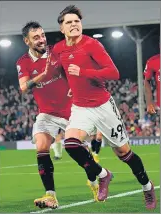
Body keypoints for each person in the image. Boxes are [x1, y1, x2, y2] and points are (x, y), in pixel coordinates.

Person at [53, 5, 157, 209]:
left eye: (77, 21)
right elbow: (64, 71)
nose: (74, 24)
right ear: (62, 28)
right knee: (71, 144)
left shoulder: (92, 45)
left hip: (103, 106)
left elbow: (113, 73)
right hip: (80, 108)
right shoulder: (58, 49)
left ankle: (147, 187)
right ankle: (103, 175)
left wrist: (83, 72)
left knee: (124, 154)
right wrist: (70, 87)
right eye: (69, 22)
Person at [16, 21, 72, 209]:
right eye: (36, 37)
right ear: (27, 41)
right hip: (46, 113)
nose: (41, 40)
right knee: (41, 148)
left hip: (69, 111)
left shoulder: (57, 52)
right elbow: (23, 87)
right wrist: (43, 75)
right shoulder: (22, 62)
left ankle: (101, 174)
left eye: (42, 35)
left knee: (80, 150)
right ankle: (51, 196)